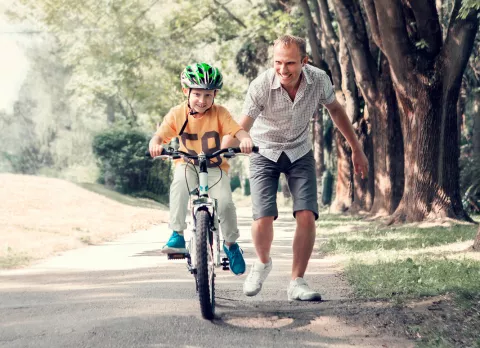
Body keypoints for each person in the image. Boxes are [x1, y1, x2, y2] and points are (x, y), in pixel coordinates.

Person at [222, 35, 369, 299]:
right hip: (263, 151)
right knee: (263, 216)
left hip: (300, 150)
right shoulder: (261, 85)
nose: (282, 69)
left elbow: (336, 110)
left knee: (306, 214)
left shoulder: (319, 80)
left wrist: (356, 149)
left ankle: (297, 282)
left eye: (290, 63)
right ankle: (263, 262)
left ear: (304, 61)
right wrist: (220, 151)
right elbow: (241, 126)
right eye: (278, 62)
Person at [149, 62, 254, 275]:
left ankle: (231, 245)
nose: (202, 101)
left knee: (225, 203)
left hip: (215, 167)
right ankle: (177, 234)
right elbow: (160, 134)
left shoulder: (220, 113)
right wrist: (156, 144)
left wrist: (245, 140)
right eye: (197, 94)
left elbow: (238, 131)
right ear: (186, 91)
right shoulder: (177, 113)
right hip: (187, 164)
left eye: (208, 95)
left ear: (215, 94)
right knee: (178, 186)